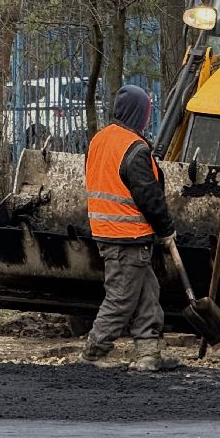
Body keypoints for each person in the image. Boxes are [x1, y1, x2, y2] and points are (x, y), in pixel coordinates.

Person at [81, 85, 180, 372]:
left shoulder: (100, 140)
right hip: (128, 235)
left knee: (148, 292)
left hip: (108, 230)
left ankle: (149, 354)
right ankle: (93, 353)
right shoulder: (134, 148)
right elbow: (149, 196)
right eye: (147, 112)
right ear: (139, 113)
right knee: (121, 298)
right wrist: (166, 229)